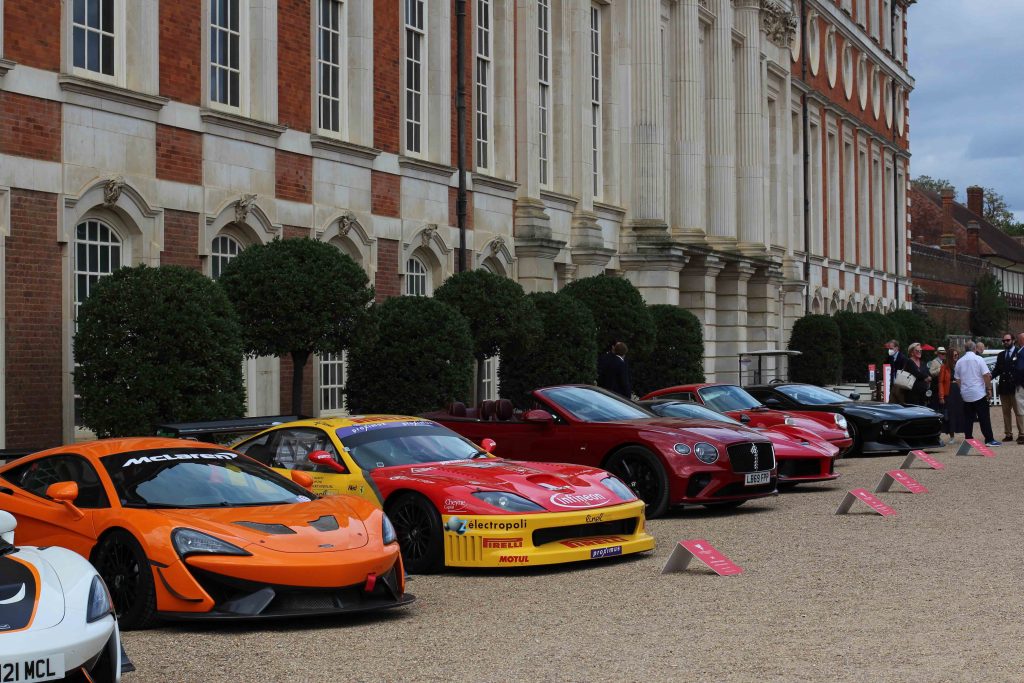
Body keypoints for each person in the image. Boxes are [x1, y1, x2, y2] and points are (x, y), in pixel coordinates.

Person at [954, 340, 999, 447]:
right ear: (975, 349)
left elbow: (957, 379)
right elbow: (986, 375)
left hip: (966, 394)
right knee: (984, 417)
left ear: (965, 349)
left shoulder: (959, 361)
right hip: (978, 392)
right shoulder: (978, 359)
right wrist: (989, 389)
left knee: (968, 418)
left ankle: (968, 439)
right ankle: (989, 439)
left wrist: (962, 389)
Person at [992, 332, 1022, 442]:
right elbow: (997, 370)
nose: (1005, 342)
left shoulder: (1019, 353)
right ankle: (1008, 434)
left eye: (1007, 340)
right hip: (1004, 387)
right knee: (1006, 413)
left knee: (1018, 412)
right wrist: (987, 378)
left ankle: (1022, 433)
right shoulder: (1000, 355)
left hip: (1015, 387)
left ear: (1013, 340)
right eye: (1003, 341)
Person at [939, 348, 965, 442]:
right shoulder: (944, 367)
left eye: (957, 355)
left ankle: (967, 434)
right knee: (950, 414)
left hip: (959, 390)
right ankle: (952, 436)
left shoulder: (960, 365)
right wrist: (941, 396)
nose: (956, 357)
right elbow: (941, 382)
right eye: (954, 355)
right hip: (949, 391)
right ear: (950, 356)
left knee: (962, 412)